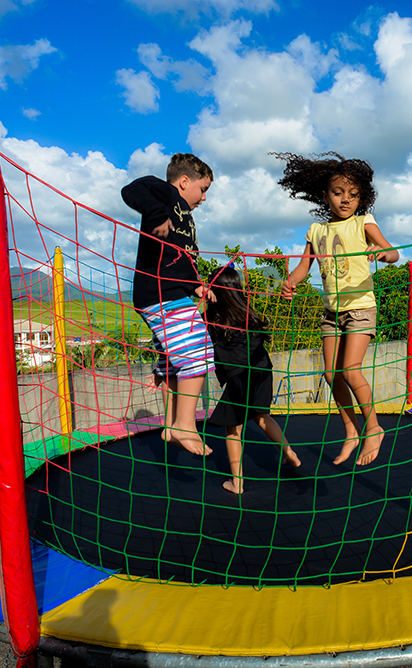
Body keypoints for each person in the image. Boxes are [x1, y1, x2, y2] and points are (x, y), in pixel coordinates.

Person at [273, 152, 399, 466]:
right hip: (331, 312)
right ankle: (350, 430)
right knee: (331, 374)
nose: (345, 200)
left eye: (353, 195)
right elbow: (303, 268)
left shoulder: (363, 222)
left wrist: (382, 253)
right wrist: (290, 283)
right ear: (325, 195)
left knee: (350, 369)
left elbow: (393, 251)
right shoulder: (315, 231)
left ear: (362, 198)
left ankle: (374, 428)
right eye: (338, 193)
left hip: (360, 308)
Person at [122, 153, 215, 456]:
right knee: (199, 353)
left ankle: (172, 425)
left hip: (174, 292)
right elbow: (132, 190)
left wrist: (196, 286)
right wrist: (155, 212)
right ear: (184, 181)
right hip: (158, 294)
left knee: (175, 363)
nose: (203, 198)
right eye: (202, 189)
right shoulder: (165, 194)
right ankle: (183, 426)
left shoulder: (186, 218)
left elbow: (182, 263)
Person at [204, 265, 301, 493]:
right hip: (262, 370)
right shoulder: (245, 310)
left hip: (241, 375)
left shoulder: (212, 315)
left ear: (215, 290)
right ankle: (290, 454)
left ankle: (237, 483)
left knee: (232, 429)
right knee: (260, 416)